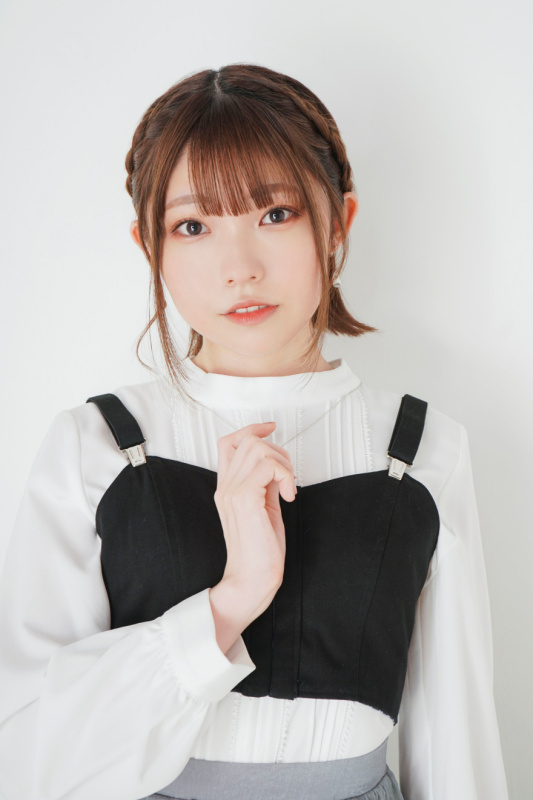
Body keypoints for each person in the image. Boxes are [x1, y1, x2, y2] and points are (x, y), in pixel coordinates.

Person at [0, 64, 508, 800]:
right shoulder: (97, 447)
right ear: (149, 247)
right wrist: (231, 600)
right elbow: (27, 752)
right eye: (193, 226)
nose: (238, 268)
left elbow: (456, 746)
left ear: (338, 222)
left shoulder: (424, 450)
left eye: (275, 214)